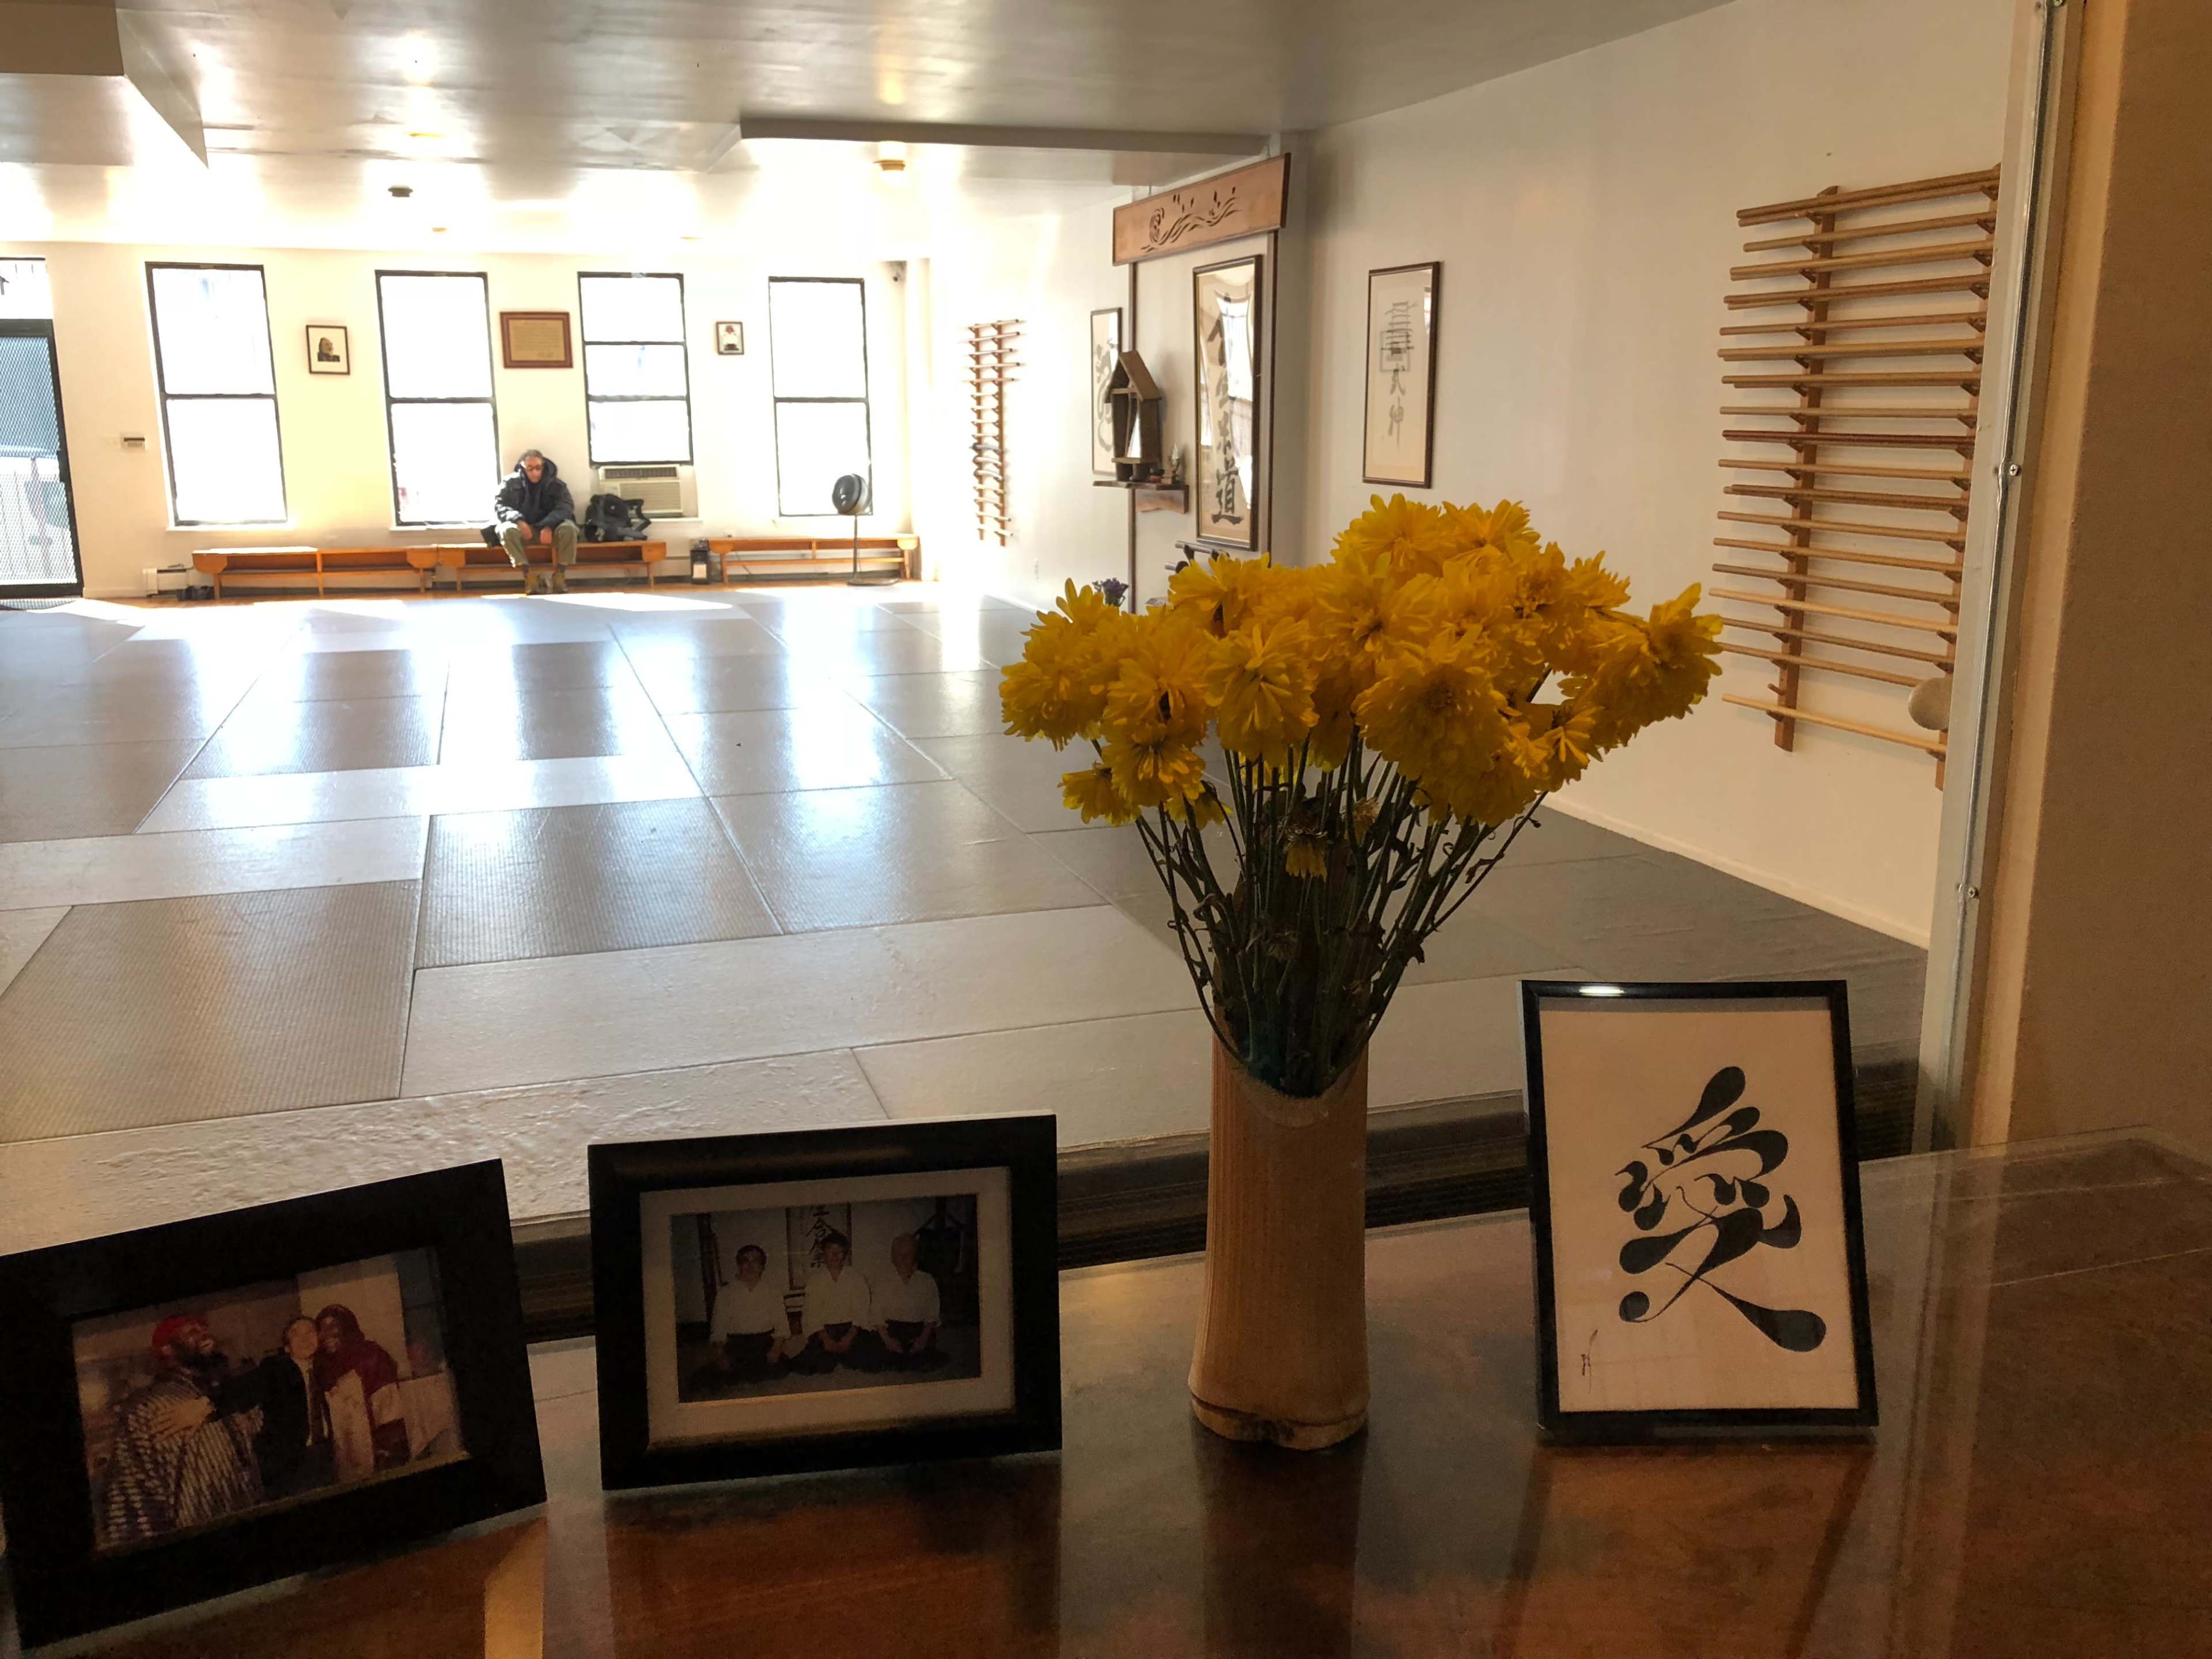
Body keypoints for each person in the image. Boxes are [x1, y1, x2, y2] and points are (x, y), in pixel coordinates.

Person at [98, 1316, 262, 1546]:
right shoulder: (145, 1407)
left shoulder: (228, 1392)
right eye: (191, 1331)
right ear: (166, 1349)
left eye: (204, 1328)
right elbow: (130, 1492)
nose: (204, 1333)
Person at [313, 1305, 410, 1480]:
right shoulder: (321, 1367)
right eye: (321, 1328)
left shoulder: (371, 1356)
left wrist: (389, 1456)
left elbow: (390, 1412)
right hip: (343, 1463)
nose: (325, 1334)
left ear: (347, 1326)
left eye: (332, 1325)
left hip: (376, 1456)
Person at [251, 1316, 336, 1501]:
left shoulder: (326, 1371)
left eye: (310, 1332)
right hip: (290, 1463)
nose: (305, 1338)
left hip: (324, 1455)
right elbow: (247, 1386)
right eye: (296, 1335)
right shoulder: (275, 1370)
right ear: (287, 1347)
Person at [785, 1232, 885, 1375]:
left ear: (845, 1254)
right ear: (824, 1253)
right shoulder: (815, 1280)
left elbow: (862, 1310)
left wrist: (849, 1338)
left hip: (851, 1329)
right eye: (831, 1251)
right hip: (825, 1331)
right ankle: (838, 1357)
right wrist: (826, 1339)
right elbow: (811, 1313)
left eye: (839, 1252)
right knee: (812, 1366)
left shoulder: (856, 1277)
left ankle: (843, 1356)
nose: (835, 1255)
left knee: (872, 1362)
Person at [493, 449, 577, 594]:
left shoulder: (556, 484)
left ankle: (560, 575)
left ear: (543, 467)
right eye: (530, 469)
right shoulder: (510, 483)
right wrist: (518, 520)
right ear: (523, 468)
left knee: (570, 528)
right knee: (505, 529)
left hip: (550, 531)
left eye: (538, 468)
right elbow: (500, 505)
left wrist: (548, 525)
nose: (534, 473)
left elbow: (566, 507)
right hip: (524, 531)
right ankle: (529, 576)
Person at [707, 1244, 789, 1383]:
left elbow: (782, 1326)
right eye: (746, 1260)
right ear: (739, 1265)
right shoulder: (725, 1293)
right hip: (737, 1344)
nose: (751, 1266)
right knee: (718, 1375)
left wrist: (776, 1350)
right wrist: (721, 1355)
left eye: (756, 1261)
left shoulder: (773, 1292)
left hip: (763, 1342)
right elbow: (718, 1328)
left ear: (762, 1266)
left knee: (782, 1368)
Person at [873, 1233, 950, 1373]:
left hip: (918, 1329)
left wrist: (922, 1339)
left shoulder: (927, 1280)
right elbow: (876, 1315)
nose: (903, 1259)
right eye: (899, 1254)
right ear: (893, 1258)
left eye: (908, 1254)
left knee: (923, 1358)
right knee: (876, 1357)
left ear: (915, 1255)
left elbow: (933, 1314)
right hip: (892, 1329)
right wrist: (888, 1341)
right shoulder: (882, 1281)